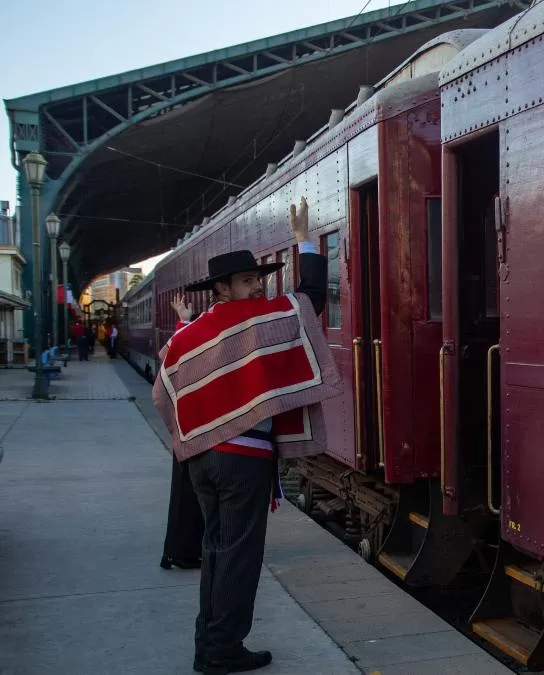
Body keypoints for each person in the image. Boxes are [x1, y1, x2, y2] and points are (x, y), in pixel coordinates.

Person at [152, 198, 341, 675]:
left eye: (258, 279)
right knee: (239, 555)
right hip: (242, 461)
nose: (257, 286)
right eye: (247, 281)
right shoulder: (256, 321)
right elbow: (310, 302)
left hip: (201, 461)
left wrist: (195, 435)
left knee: (216, 551)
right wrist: (304, 240)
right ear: (222, 288)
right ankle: (222, 651)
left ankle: (208, 643)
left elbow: (164, 392)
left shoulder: (187, 336)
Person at [159, 297, 205, 571]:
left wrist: (184, 320)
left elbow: (177, 349)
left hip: (185, 431)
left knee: (183, 496)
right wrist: (185, 320)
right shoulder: (192, 353)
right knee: (189, 497)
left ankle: (178, 550)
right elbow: (178, 349)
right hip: (193, 432)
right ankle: (183, 551)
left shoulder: (185, 350)